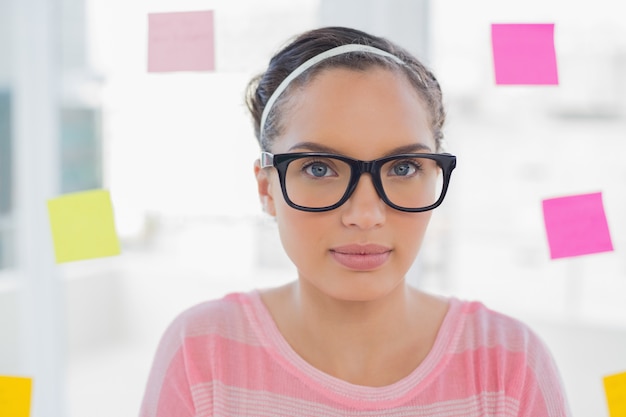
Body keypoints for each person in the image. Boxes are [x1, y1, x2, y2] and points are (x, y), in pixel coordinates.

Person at [139, 26, 571, 416]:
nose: (365, 216)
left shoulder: (509, 365)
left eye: (402, 168)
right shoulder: (202, 353)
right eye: (320, 168)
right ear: (267, 189)